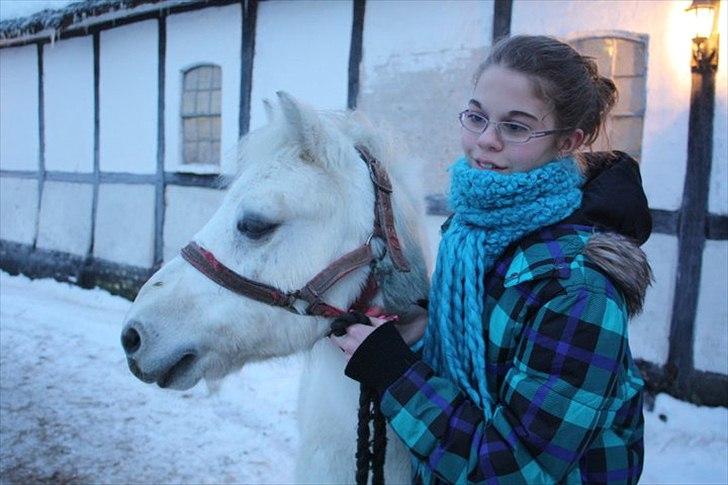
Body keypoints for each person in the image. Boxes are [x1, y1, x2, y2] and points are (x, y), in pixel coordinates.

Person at [331, 34, 652, 484]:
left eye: (516, 127)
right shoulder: (472, 230)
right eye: (477, 117)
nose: (486, 141)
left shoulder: (580, 287)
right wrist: (427, 330)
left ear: (568, 141)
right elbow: (495, 334)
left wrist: (394, 374)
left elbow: (519, 470)